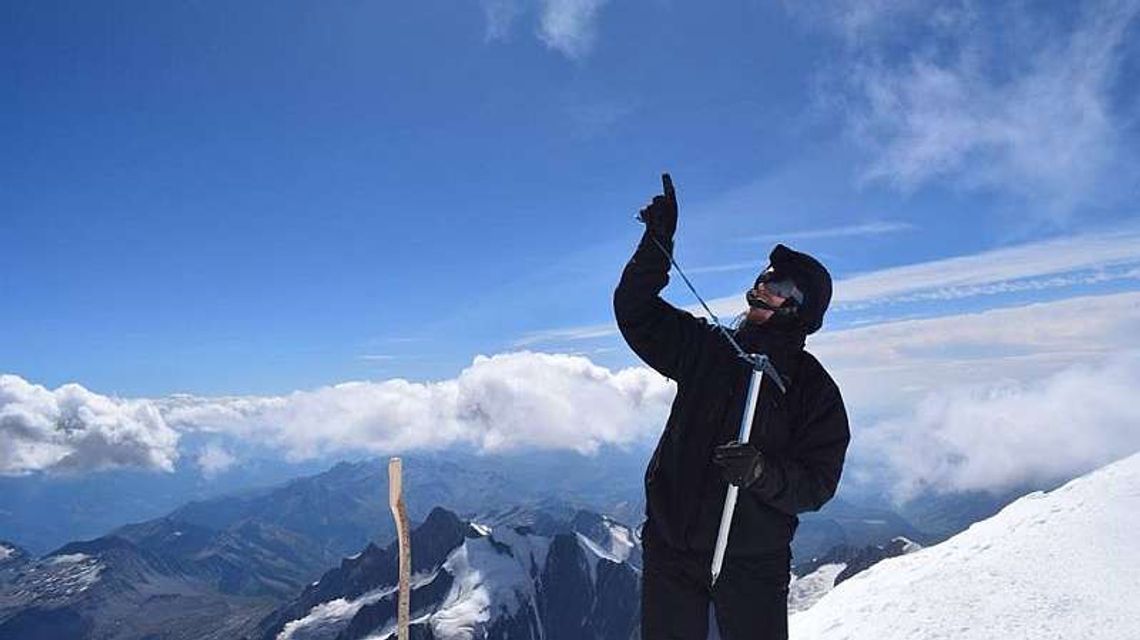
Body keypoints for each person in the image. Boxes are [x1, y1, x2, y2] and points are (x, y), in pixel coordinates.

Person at [613, 174, 850, 640]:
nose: (762, 287)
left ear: (801, 308)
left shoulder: (813, 390)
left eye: (778, 284)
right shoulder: (707, 348)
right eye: (762, 279)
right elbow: (634, 309)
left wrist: (763, 474)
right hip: (671, 551)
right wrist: (656, 245)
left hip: (753, 565)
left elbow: (818, 483)